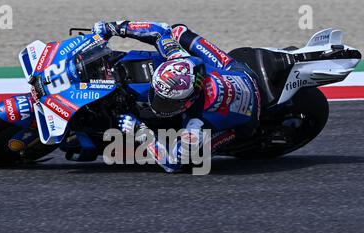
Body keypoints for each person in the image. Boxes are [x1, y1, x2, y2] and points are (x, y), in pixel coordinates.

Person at [92, 21, 261, 173]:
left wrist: (141, 133)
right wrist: (114, 28)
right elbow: (159, 31)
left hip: (248, 115)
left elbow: (172, 164)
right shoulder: (180, 58)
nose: (157, 104)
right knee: (178, 31)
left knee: (191, 159)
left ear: (189, 101)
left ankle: (235, 136)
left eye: (166, 103)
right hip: (234, 72)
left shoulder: (196, 126)